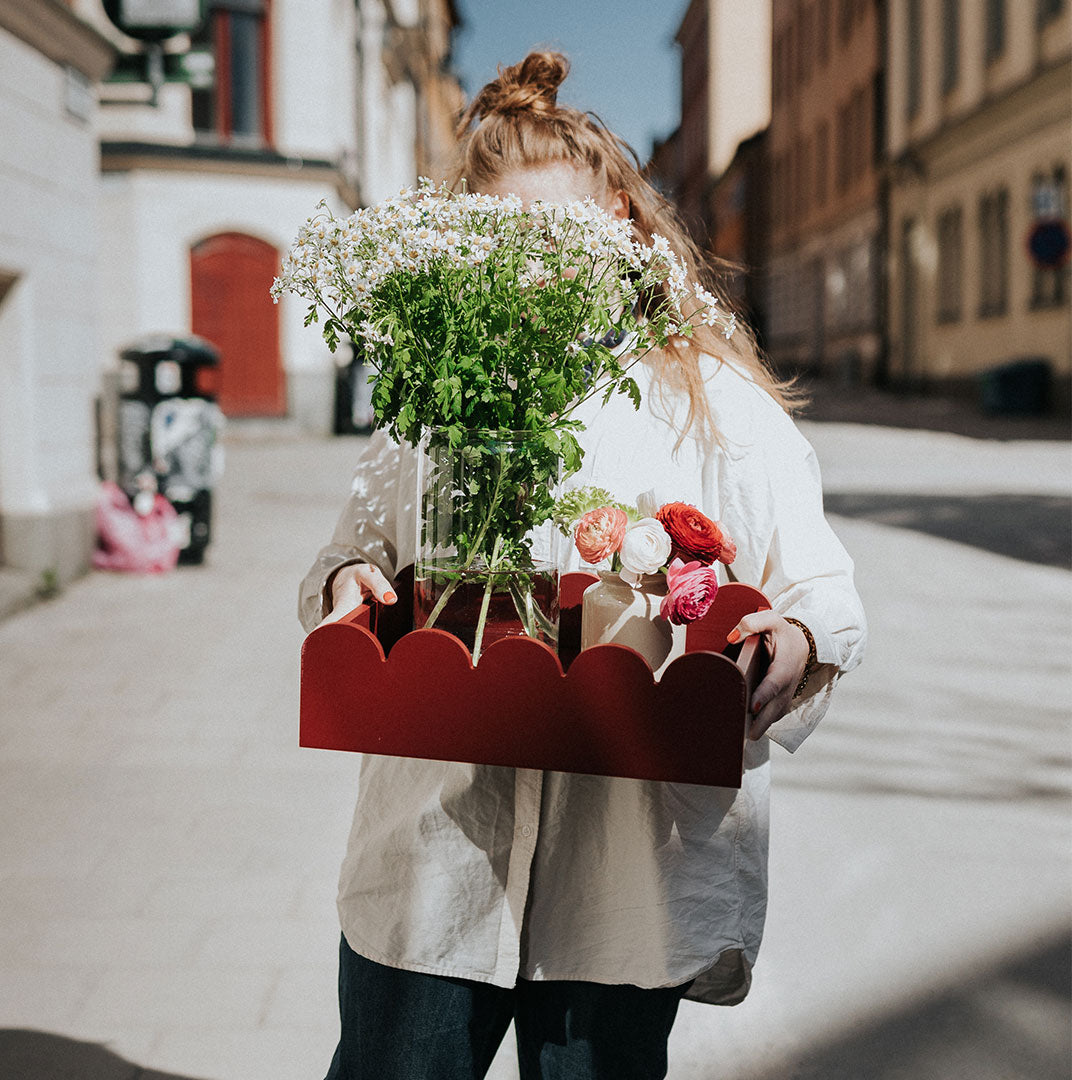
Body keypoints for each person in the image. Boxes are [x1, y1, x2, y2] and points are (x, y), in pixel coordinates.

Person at [299, 50, 867, 1080]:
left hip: (625, 875)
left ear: (623, 225)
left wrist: (794, 640)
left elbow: (821, 592)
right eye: (506, 237)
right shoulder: (440, 392)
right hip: (439, 855)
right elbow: (355, 553)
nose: (537, 262)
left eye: (560, 231)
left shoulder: (710, 402)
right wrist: (348, 587)